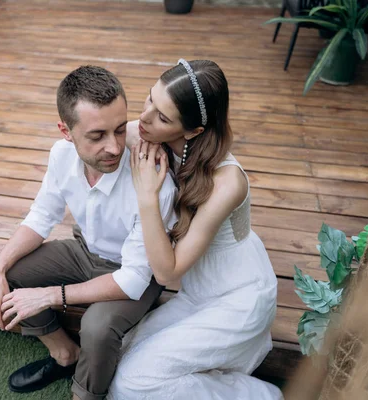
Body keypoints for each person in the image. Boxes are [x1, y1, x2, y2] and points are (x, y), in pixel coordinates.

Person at [0, 65, 177, 400]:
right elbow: (42, 215)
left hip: (135, 273)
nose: (115, 147)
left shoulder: (153, 179)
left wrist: (49, 295)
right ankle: (64, 354)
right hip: (84, 252)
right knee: (2, 272)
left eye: (119, 130)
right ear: (66, 131)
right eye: (97, 136)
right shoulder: (60, 155)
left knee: (97, 328)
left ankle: (86, 394)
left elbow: (132, 279)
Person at [107, 59, 282, 399]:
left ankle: (263, 396)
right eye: (149, 100)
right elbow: (91, 138)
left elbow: (166, 271)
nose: (143, 118)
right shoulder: (144, 133)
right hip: (197, 292)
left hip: (239, 298)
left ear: (192, 131)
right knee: (122, 353)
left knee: (133, 382)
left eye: (162, 116)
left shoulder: (227, 182)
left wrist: (147, 195)